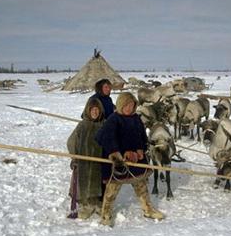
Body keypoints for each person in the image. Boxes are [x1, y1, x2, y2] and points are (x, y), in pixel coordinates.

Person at [95, 92, 165, 226]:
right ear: (121, 105)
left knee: (141, 186)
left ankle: (147, 209)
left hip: (136, 161)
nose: (129, 108)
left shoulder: (136, 118)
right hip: (118, 163)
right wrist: (119, 154)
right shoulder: (113, 119)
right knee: (111, 191)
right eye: (126, 105)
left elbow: (141, 137)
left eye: (132, 105)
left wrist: (140, 150)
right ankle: (106, 215)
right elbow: (104, 137)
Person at [67, 98, 105, 219]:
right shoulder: (82, 125)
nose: (95, 112)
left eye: (97, 109)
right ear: (88, 111)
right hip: (83, 161)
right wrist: (75, 156)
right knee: (84, 182)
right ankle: (84, 204)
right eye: (92, 109)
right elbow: (71, 141)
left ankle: (96, 202)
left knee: (98, 182)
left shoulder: (104, 125)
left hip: (99, 162)